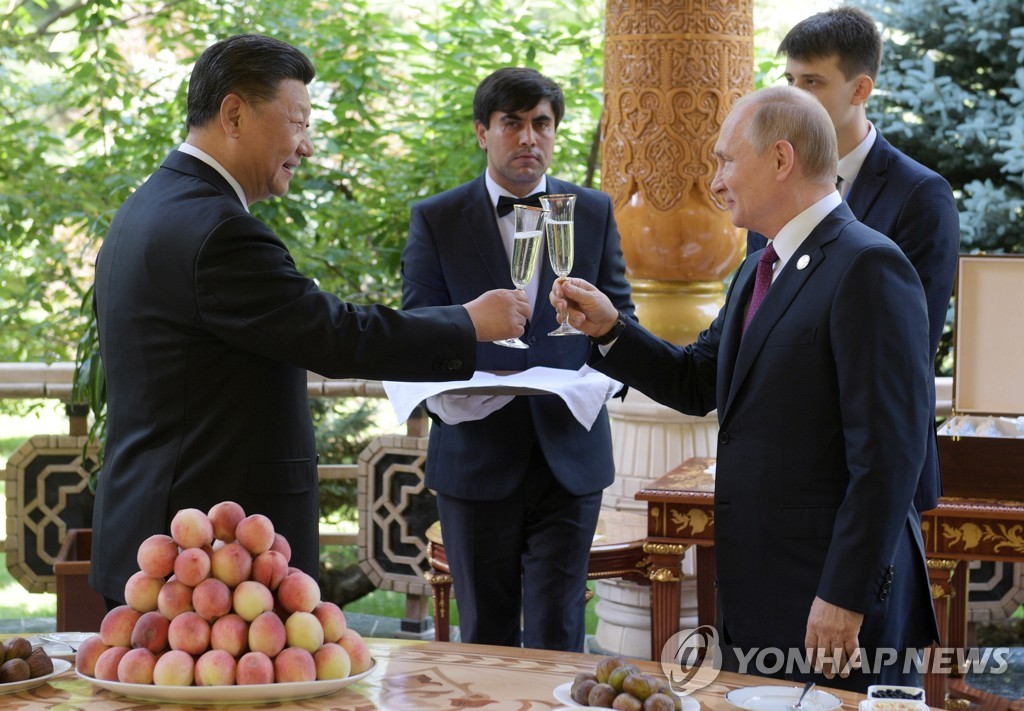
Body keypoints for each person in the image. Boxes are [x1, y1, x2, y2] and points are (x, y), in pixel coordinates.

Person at [90, 34, 531, 609]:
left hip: (157, 533)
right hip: (206, 555)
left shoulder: (145, 207)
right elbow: (333, 334)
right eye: (298, 123)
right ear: (233, 114)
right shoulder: (219, 230)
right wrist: (468, 322)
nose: (308, 147)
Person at [552, 85, 938, 689]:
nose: (717, 179)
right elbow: (696, 379)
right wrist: (609, 329)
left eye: (726, 159)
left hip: (832, 606)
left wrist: (844, 594)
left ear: (781, 160)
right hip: (761, 595)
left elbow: (890, 455)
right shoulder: (761, 265)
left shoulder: (868, 266)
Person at [400, 67, 634, 651]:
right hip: (476, 456)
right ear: (483, 132)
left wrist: (603, 378)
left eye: (541, 124)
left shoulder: (594, 211)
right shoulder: (436, 218)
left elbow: (621, 324)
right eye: (513, 123)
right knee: (485, 638)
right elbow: (417, 329)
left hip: (570, 454)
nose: (529, 137)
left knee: (560, 633)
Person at [747, 6, 960, 512]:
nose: (794, 97)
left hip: (873, 477)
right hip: (777, 470)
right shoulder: (770, 187)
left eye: (813, 82)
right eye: (790, 80)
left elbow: (908, 353)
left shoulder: (921, 195)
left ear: (860, 89)